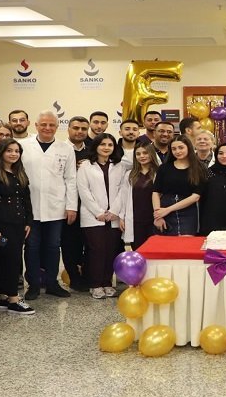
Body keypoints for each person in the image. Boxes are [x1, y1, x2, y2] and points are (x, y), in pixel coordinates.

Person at [20, 111, 78, 300]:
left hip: (56, 206)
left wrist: (71, 206)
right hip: (30, 207)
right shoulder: (23, 146)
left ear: (57, 127)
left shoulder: (66, 149)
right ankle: (34, 285)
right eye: (43, 124)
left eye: (52, 125)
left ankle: (52, 283)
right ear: (36, 125)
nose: (47, 128)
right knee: (32, 246)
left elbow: (71, 179)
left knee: (53, 246)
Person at [0, 138, 34, 315]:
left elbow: (25, 198)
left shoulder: (19, 172)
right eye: (9, 150)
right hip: (1, 226)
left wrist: (28, 221)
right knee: (8, 260)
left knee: (12, 259)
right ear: (1, 152)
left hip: (18, 225)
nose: (13, 154)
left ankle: (5, 296)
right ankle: (13, 298)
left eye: (17, 151)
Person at [77, 133, 128, 298]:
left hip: (113, 216)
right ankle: (95, 284)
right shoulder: (85, 166)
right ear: (96, 146)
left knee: (111, 250)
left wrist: (114, 211)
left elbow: (123, 190)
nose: (106, 148)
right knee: (96, 250)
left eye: (110, 145)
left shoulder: (119, 166)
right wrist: (98, 212)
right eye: (103, 144)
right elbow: (83, 191)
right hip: (93, 216)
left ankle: (107, 283)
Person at [153, 136, 207, 235]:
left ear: (188, 148)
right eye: (174, 149)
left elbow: (195, 196)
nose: (177, 151)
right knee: (165, 243)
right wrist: (158, 215)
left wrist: (168, 210)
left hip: (187, 212)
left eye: (181, 148)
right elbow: (156, 192)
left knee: (186, 242)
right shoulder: (164, 168)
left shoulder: (199, 168)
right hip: (164, 211)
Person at [123, 143, 160, 249]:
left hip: (154, 219)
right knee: (139, 250)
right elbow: (123, 198)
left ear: (151, 154)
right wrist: (122, 217)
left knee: (154, 250)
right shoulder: (130, 175)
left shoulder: (159, 173)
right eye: (138, 154)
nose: (142, 156)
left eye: (145, 153)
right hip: (136, 220)